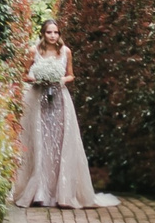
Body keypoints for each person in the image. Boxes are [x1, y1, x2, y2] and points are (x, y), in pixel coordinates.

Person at [11, 18, 119, 209]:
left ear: (59, 34)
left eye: (56, 32)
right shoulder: (33, 51)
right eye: (49, 32)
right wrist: (39, 79)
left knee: (59, 141)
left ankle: (61, 192)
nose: (53, 36)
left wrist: (59, 79)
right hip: (38, 100)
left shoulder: (65, 51)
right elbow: (24, 74)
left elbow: (71, 74)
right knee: (41, 140)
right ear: (43, 34)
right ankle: (38, 191)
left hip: (59, 100)